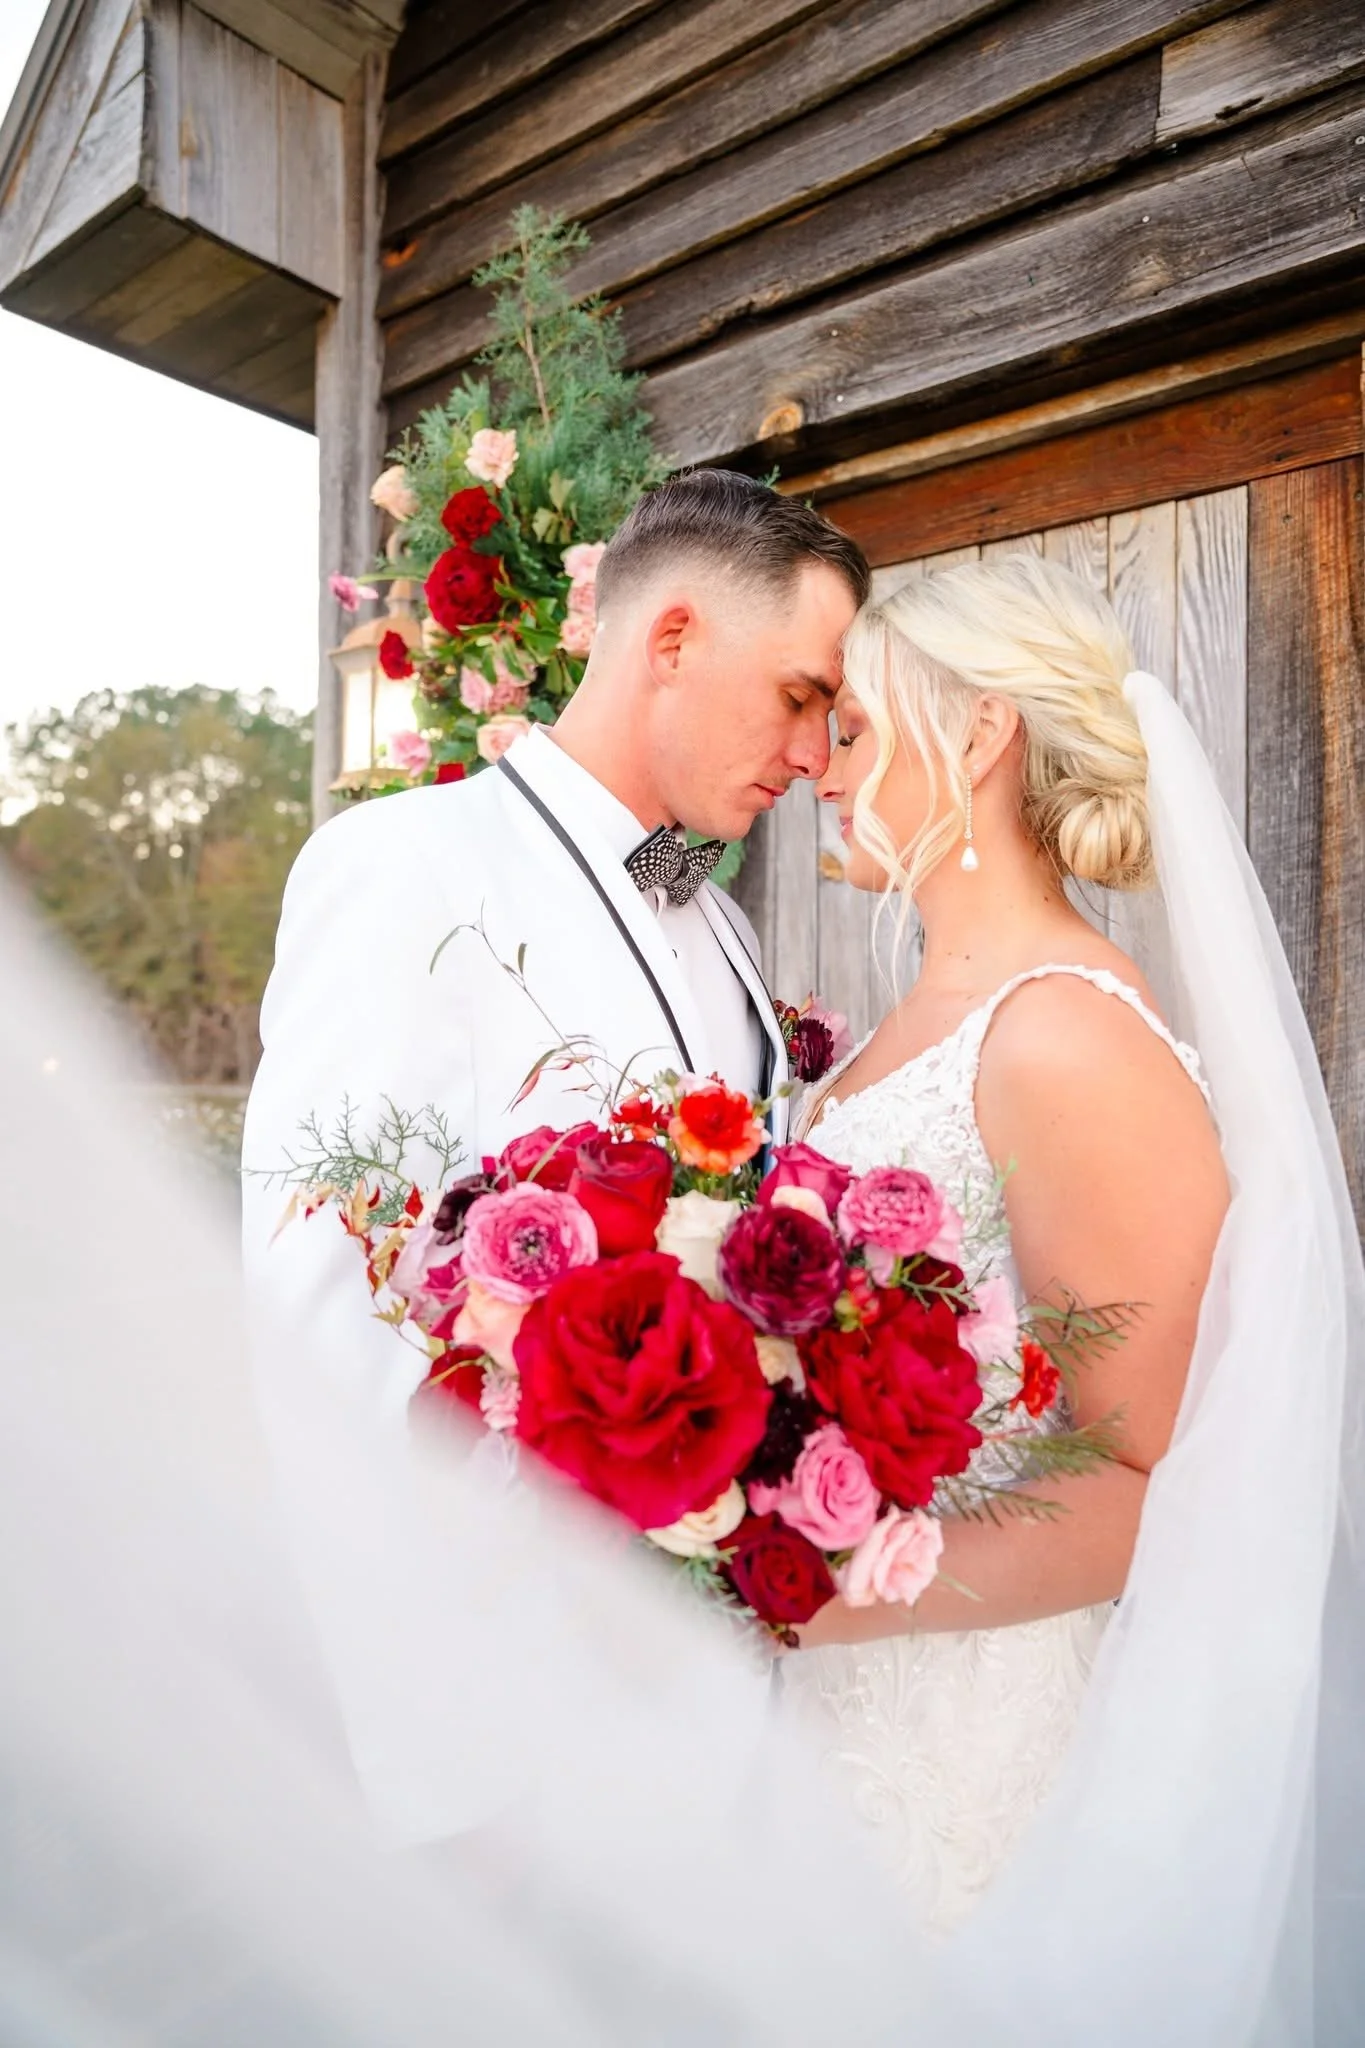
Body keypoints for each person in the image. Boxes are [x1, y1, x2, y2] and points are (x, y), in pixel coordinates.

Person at [239, 468, 869, 1835]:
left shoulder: (730, 926)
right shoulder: (404, 868)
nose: (817, 755)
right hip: (520, 1745)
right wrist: (443, 1786)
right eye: (803, 696)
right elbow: (322, 1336)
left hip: (733, 1729)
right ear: (674, 640)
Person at [775, 554, 1362, 1983]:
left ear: (980, 735)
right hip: (818, 1733)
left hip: (977, 1757)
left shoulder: (1061, 1035)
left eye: (851, 727)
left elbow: (1147, 1483)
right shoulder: (895, 1029)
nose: (814, 765)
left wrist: (809, 1587)